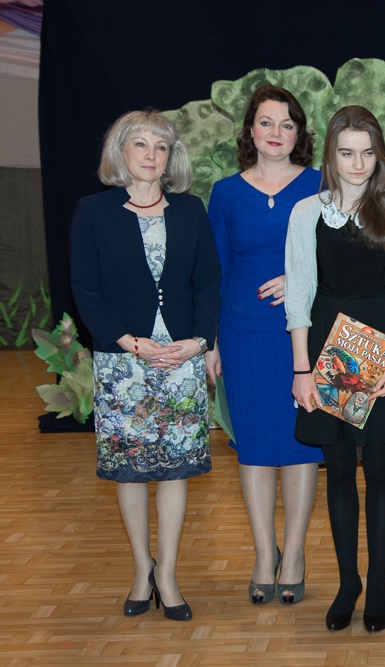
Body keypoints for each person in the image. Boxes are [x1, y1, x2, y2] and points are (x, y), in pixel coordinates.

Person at [70, 109, 221, 621]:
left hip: (181, 358)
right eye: (140, 144)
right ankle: (142, 569)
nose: (151, 154)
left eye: (161, 145)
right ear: (121, 152)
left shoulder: (191, 210)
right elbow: (86, 289)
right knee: (131, 471)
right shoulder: (93, 211)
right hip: (122, 362)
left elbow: (208, 283)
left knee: (176, 470)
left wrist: (199, 341)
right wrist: (130, 343)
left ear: (171, 156)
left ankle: (168, 575)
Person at [285, 105, 385, 633]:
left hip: (382, 347)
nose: (358, 163)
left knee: (380, 469)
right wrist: (302, 369)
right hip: (328, 349)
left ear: (379, 155)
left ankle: (378, 583)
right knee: (339, 468)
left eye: (367, 152)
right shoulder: (306, 213)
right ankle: (349, 583)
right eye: (347, 152)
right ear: (331, 155)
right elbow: (299, 294)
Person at [205, 85, 323, 606]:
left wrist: (297, 279)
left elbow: (339, 255)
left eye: (287, 124)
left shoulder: (320, 185)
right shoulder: (225, 193)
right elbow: (213, 271)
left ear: (299, 134)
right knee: (252, 447)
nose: (276, 132)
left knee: (300, 446)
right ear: (250, 130)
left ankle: (293, 555)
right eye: (267, 122)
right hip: (242, 333)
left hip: (302, 334)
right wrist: (211, 341)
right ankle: (262, 554)